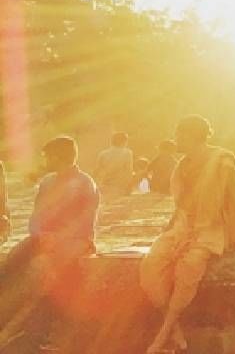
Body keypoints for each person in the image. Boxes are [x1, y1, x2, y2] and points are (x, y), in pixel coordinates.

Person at [140, 116, 235, 354]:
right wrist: (169, 229)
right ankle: (175, 329)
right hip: (183, 227)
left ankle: (163, 334)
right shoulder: (182, 165)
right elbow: (182, 206)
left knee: (189, 266)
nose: (175, 139)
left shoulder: (222, 162)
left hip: (211, 228)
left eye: (179, 134)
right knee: (151, 265)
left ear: (193, 136)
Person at [0, 136, 99, 347]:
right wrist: (40, 234)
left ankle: (42, 331)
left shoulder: (85, 183)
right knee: (15, 257)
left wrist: (58, 238)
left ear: (57, 157)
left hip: (76, 240)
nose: (45, 161)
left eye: (47, 156)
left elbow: (85, 222)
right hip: (45, 237)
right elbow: (36, 216)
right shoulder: (47, 182)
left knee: (48, 272)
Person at [96, 131, 134, 199]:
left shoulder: (102, 153)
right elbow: (129, 171)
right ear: (124, 142)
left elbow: (97, 171)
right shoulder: (128, 153)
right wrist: (129, 187)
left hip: (105, 185)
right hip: (120, 187)